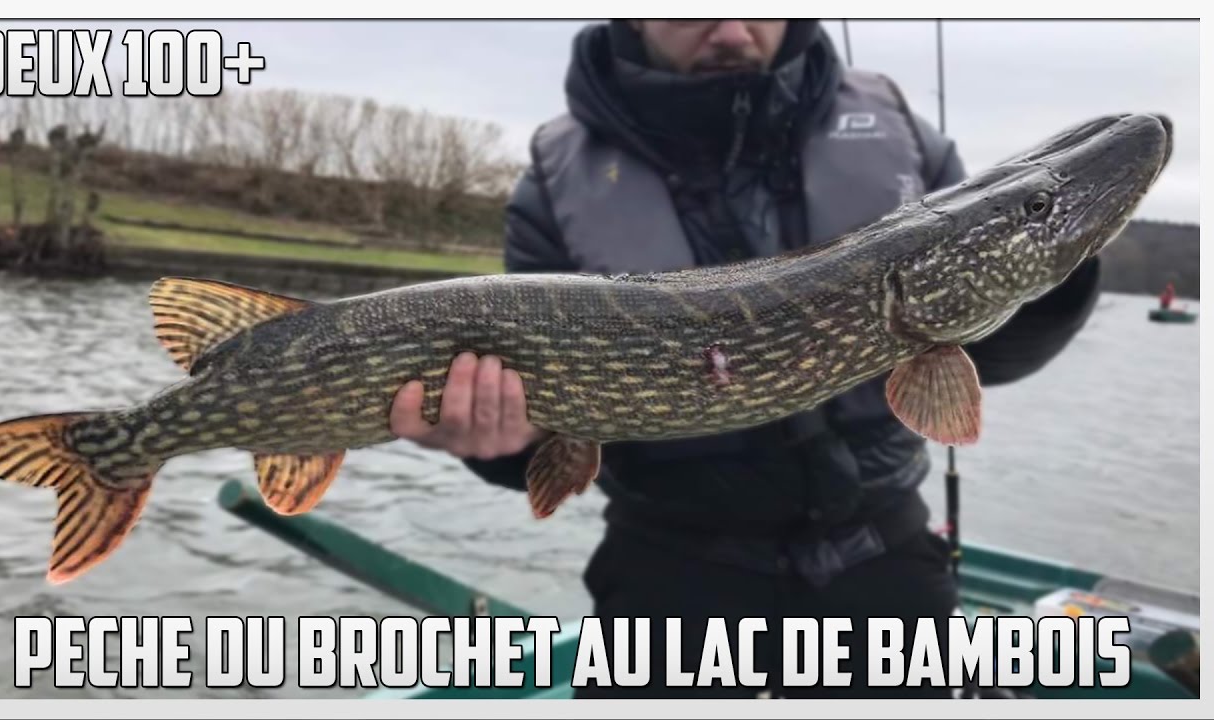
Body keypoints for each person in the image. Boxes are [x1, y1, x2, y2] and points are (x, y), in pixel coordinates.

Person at [388, 19, 1102, 698]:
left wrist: (1048, 266)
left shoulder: (905, 139)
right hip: (668, 566)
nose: (731, 32)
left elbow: (996, 349)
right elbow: (542, 420)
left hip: (880, 546)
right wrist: (498, 444)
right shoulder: (556, 176)